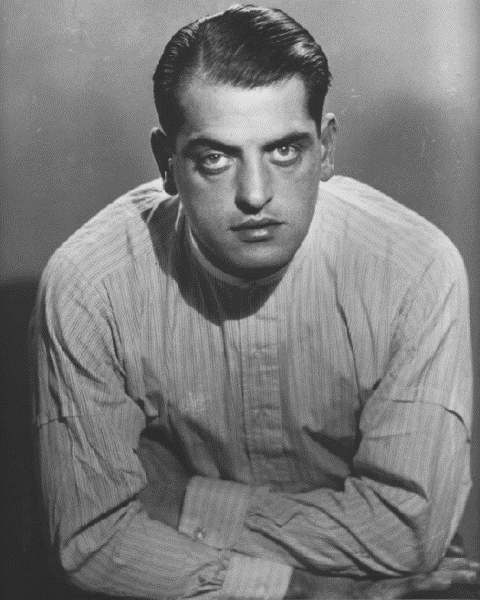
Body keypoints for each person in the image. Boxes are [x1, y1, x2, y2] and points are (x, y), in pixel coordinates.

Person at [29, 4, 477, 599]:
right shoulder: (90, 285)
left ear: (326, 149)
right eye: (215, 158)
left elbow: (408, 533)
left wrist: (183, 501)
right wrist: (306, 589)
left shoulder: (416, 267)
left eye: (285, 151)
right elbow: (92, 542)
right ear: (168, 164)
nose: (256, 195)